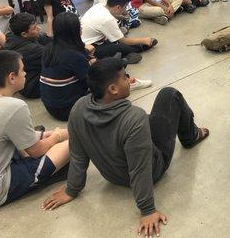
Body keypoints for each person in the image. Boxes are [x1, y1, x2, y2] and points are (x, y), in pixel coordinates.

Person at [41, 58, 210, 237]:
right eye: (124, 77)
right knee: (170, 95)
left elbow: (77, 154)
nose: (129, 80)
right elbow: (140, 169)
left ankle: (182, 130)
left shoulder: (78, 108)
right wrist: (147, 210)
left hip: (113, 176)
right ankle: (191, 136)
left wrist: (72, 189)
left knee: (148, 118)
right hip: (153, 170)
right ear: (112, 89)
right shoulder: (133, 118)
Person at [0, 50, 70, 208]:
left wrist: (48, 134)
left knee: (40, 131)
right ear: (11, 77)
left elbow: (8, 132)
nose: (25, 73)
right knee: (74, 143)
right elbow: (36, 151)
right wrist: (56, 136)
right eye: (22, 70)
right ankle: (39, 177)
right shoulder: (13, 107)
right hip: (0, 185)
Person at [40, 13, 92, 121]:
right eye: (79, 26)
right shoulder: (74, 55)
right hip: (68, 109)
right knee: (108, 86)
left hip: (50, 106)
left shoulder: (49, 48)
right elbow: (89, 82)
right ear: (74, 31)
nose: (81, 28)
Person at [82, 0, 158, 63]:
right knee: (121, 46)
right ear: (118, 7)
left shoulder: (100, 6)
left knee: (116, 41)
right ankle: (138, 49)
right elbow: (124, 41)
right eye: (125, 7)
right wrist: (144, 40)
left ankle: (122, 55)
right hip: (89, 49)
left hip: (85, 42)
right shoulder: (107, 19)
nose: (125, 9)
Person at [3, 13, 52, 98]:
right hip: (32, 86)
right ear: (24, 34)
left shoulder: (13, 35)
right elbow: (57, 55)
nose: (39, 28)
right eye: (34, 28)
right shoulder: (31, 50)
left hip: (25, 79)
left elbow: (46, 39)